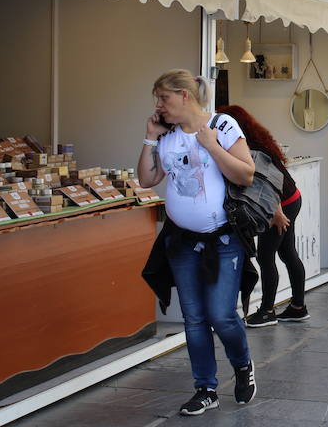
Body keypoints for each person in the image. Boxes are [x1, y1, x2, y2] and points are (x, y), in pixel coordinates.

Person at [138, 69, 257, 416]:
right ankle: (205, 387)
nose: (159, 106)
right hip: (183, 242)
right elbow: (147, 179)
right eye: (158, 99)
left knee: (221, 315)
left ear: (185, 96)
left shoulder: (222, 126)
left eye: (164, 98)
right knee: (194, 318)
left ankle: (243, 364)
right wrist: (149, 138)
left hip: (223, 240)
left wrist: (211, 147)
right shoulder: (168, 135)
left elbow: (245, 174)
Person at [208, 106, 309, 329]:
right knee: (287, 252)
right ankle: (298, 307)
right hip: (290, 199)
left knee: (266, 256)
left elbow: (266, 185)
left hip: (280, 205)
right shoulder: (256, 142)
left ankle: (267, 311)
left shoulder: (249, 150)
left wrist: (276, 213)